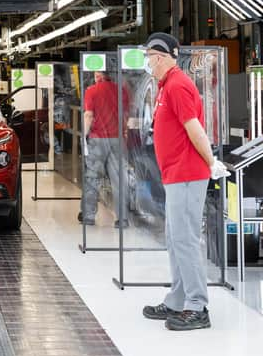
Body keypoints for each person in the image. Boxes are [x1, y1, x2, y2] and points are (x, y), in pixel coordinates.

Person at [140, 32, 229, 331]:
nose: (148, 63)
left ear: (162, 57)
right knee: (174, 239)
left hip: (188, 175)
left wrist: (211, 162)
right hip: (175, 175)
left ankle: (197, 306)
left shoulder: (178, 86)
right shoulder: (165, 86)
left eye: (150, 57)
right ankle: (177, 300)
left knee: (186, 240)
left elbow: (195, 130)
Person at [81, 68, 129, 228]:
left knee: (92, 178)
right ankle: (122, 219)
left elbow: (88, 115)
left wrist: (83, 136)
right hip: (118, 140)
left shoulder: (91, 91)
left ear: (101, 76)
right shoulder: (121, 91)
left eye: (95, 75)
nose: (95, 78)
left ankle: (88, 216)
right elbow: (126, 115)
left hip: (97, 140)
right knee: (119, 180)